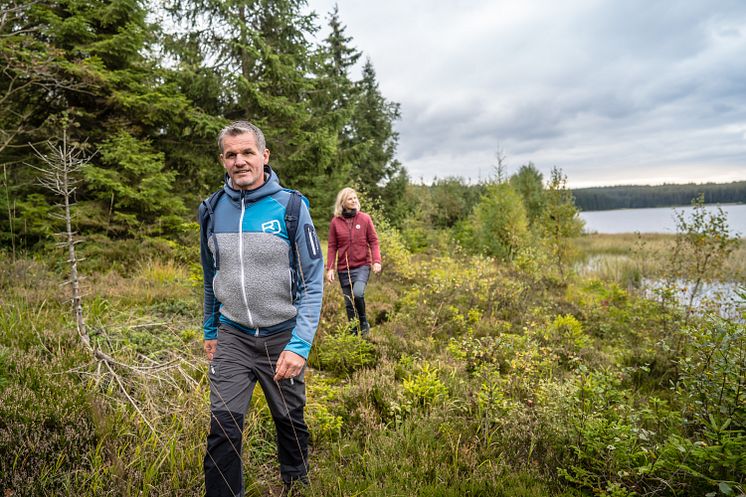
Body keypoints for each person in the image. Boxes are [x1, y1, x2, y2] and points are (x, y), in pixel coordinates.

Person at [199, 121, 324, 497]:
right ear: (223, 160)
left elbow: (314, 281)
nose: (240, 161)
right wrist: (210, 330)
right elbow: (209, 277)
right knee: (223, 427)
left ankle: (295, 478)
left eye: (247, 152)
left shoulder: (290, 206)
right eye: (231, 154)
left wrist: (300, 344)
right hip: (233, 335)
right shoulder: (211, 209)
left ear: (264, 156)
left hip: (281, 335)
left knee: (289, 419)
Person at [326, 188, 381, 335]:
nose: (354, 201)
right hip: (344, 269)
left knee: (357, 293)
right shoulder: (335, 222)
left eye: (355, 198)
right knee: (349, 303)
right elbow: (332, 246)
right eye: (350, 199)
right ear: (343, 202)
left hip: (362, 265)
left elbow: (374, 241)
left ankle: (363, 322)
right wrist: (330, 268)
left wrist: (376, 261)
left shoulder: (365, 219)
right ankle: (353, 331)